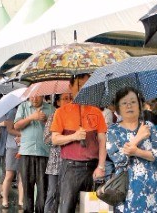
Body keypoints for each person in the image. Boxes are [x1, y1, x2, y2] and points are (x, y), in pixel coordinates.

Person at [51, 73, 108, 213]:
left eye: (87, 86)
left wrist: (101, 166)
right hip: (70, 167)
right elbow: (55, 139)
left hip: (93, 167)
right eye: (80, 85)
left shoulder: (97, 112)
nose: (83, 89)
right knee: (66, 208)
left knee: (93, 210)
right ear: (71, 87)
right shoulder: (61, 112)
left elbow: (102, 141)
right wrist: (74, 136)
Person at [106, 87, 157, 212]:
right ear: (118, 108)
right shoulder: (113, 130)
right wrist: (138, 138)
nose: (129, 106)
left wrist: (137, 152)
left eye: (133, 102)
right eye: (124, 103)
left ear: (140, 105)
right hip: (126, 192)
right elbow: (119, 159)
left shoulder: (148, 126)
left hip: (150, 190)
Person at [14, 95, 55, 213]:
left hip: (44, 153)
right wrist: (31, 117)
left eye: (37, 96)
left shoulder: (51, 109)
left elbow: (56, 129)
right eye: (32, 97)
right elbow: (16, 126)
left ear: (43, 96)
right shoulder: (23, 107)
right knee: (27, 187)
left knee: (43, 188)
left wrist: (46, 121)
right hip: (26, 152)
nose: (34, 99)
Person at [43, 93, 72, 212]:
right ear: (58, 102)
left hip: (72, 164)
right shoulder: (53, 116)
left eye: (71, 98)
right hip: (56, 163)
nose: (69, 101)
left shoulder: (76, 117)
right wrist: (63, 137)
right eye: (65, 99)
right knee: (53, 194)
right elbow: (47, 139)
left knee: (68, 197)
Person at [1, 107, 24, 209]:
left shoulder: (27, 109)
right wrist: (23, 135)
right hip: (12, 146)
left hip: (24, 146)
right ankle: (5, 200)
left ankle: (21, 201)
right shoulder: (12, 111)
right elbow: (10, 129)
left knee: (21, 176)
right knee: (9, 174)